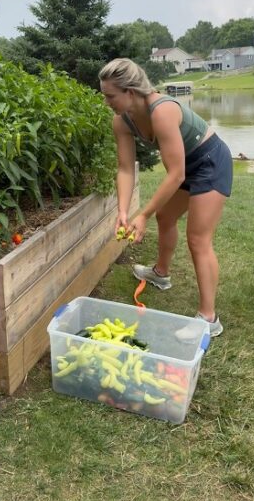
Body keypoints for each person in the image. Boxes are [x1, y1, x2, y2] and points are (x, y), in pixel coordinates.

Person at [99, 58, 232, 337]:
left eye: (110, 96)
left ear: (130, 92)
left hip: (210, 161)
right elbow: (125, 169)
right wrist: (123, 211)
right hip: (186, 164)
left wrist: (142, 214)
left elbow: (176, 174)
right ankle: (161, 274)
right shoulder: (121, 121)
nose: (106, 102)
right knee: (166, 216)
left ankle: (209, 318)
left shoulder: (163, 111)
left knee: (198, 238)